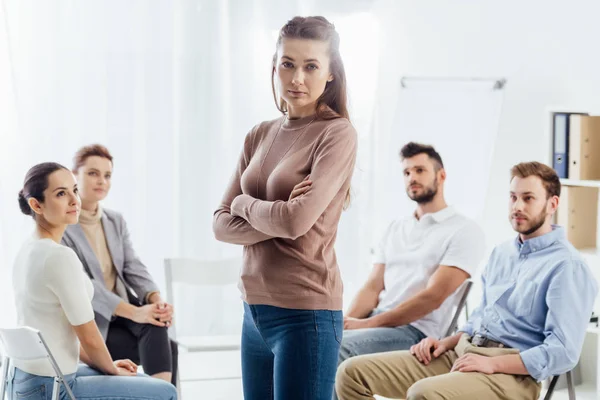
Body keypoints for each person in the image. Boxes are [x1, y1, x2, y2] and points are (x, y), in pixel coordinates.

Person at [335, 161, 598, 400]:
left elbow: (563, 352)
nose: (517, 207)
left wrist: (493, 364)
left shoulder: (568, 267)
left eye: (528, 198)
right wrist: (446, 341)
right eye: (513, 197)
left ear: (552, 204)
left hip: (511, 374)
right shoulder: (502, 253)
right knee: (350, 373)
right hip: (462, 351)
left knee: (422, 394)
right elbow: (480, 317)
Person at [213, 15, 357, 400]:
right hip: (253, 312)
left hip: (305, 314)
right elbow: (220, 224)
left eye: (311, 66)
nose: (297, 78)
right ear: (274, 67)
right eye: (288, 64)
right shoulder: (259, 134)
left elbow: (295, 222)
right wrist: (281, 215)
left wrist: (245, 203)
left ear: (329, 73)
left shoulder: (336, 133)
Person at [11, 162, 177, 400]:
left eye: (74, 190)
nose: (73, 200)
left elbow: (61, 338)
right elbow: (87, 334)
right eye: (61, 193)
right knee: (167, 392)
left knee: (143, 380)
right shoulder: (58, 257)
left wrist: (109, 365)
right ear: (36, 205)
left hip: (27, 381)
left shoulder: (27, 250)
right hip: (54, 387)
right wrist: (111, 370)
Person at [338, 143, 485, 372]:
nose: (411, 178)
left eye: (420, 170)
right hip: (377, 323)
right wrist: (345, 324)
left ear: (441, 175)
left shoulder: (464, 230)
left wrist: (366, 324)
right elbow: (372, 287)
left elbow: (432, 298)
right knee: (319, 343)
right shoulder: (396, 228)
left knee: (337, 350)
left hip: (416, 332)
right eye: (406, 172)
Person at [61, 144, 178, 385]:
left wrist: (156, 299)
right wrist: (136, 312)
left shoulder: (115, 220)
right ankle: (160, 393)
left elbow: (132, 265)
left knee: (156, 321)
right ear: (74, 175)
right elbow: (84, 286)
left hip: (123, 312)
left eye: (107, 175)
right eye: (93, 173)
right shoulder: (62, 226)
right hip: (93, 321)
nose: (101, 181)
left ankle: (159, 395)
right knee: (167, 345)